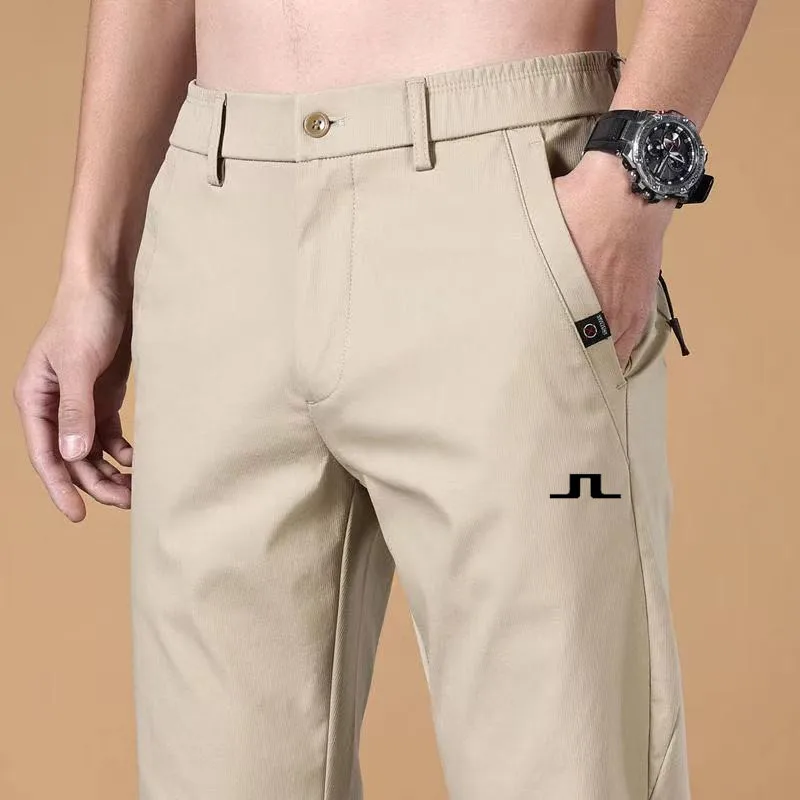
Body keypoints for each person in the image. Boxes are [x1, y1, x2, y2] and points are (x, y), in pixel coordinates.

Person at [13, 0, 756, 797]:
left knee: (566, 763)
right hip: (218, 217)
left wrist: (630, 181)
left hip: (502, 192)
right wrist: (92, 267)